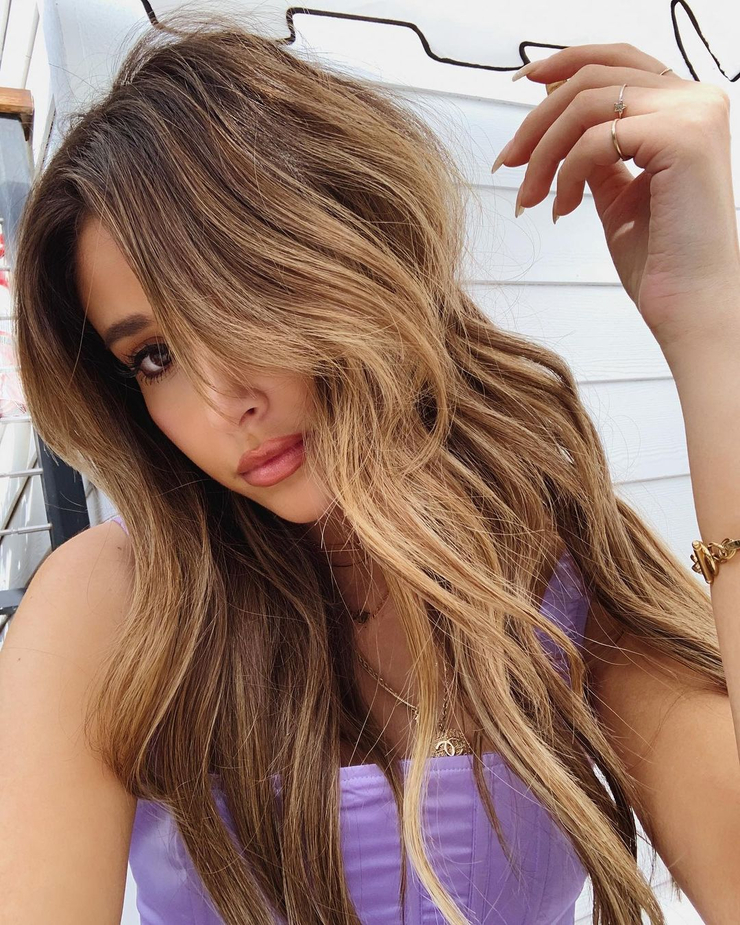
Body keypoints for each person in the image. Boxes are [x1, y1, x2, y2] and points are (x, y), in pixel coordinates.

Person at [1, 10, 734, 925]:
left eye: (238, 298)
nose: (223, 401)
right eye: (154, 356)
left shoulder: (556, 569)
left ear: (351, 253)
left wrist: (711, 324)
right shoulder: (113, 608)